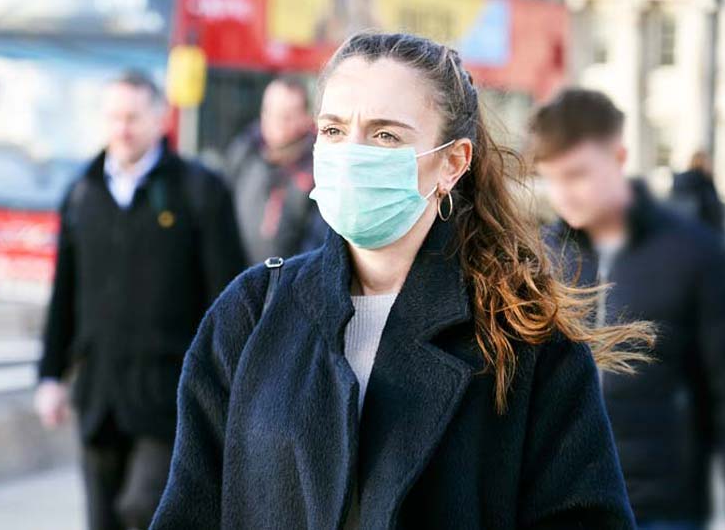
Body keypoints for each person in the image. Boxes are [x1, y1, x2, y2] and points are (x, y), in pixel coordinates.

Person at [151, 32, 652, 529]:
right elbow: (190, 508)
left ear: (452, 163)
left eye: (385, 135)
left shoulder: (525, 337)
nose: (352, 154)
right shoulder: (252, 310)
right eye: (333, 130)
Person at [34, 71, 246, 530]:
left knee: (146, 508)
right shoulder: (82, 192)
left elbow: (229, 296)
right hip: (99, 394)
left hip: (170, 395)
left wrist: (228, 383)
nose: (122, 128)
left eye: (133, 117)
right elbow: (64, 292)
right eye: (113, 117)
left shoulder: (199, 191)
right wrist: (50, 375)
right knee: (103, 517)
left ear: (159, 119)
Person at [531, 88, 725, 530]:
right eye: (552, 177)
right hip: (565, 501)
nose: (562, 193)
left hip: (662, 506)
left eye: (577, 174)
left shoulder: (694, 254)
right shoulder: (541, 259)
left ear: (618, 157)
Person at [226, 76, 327, 263]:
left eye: (286, 116)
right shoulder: (245, 152)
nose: (276, 123)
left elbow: (317, 245)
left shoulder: (318, 167)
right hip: (240, 279)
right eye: (269, 112)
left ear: (306, 118)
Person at [670, 150, 725, 235]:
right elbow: (714, 214)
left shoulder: (683, 182)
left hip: (686, 236)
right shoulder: (704, 184)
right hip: (705, 236)